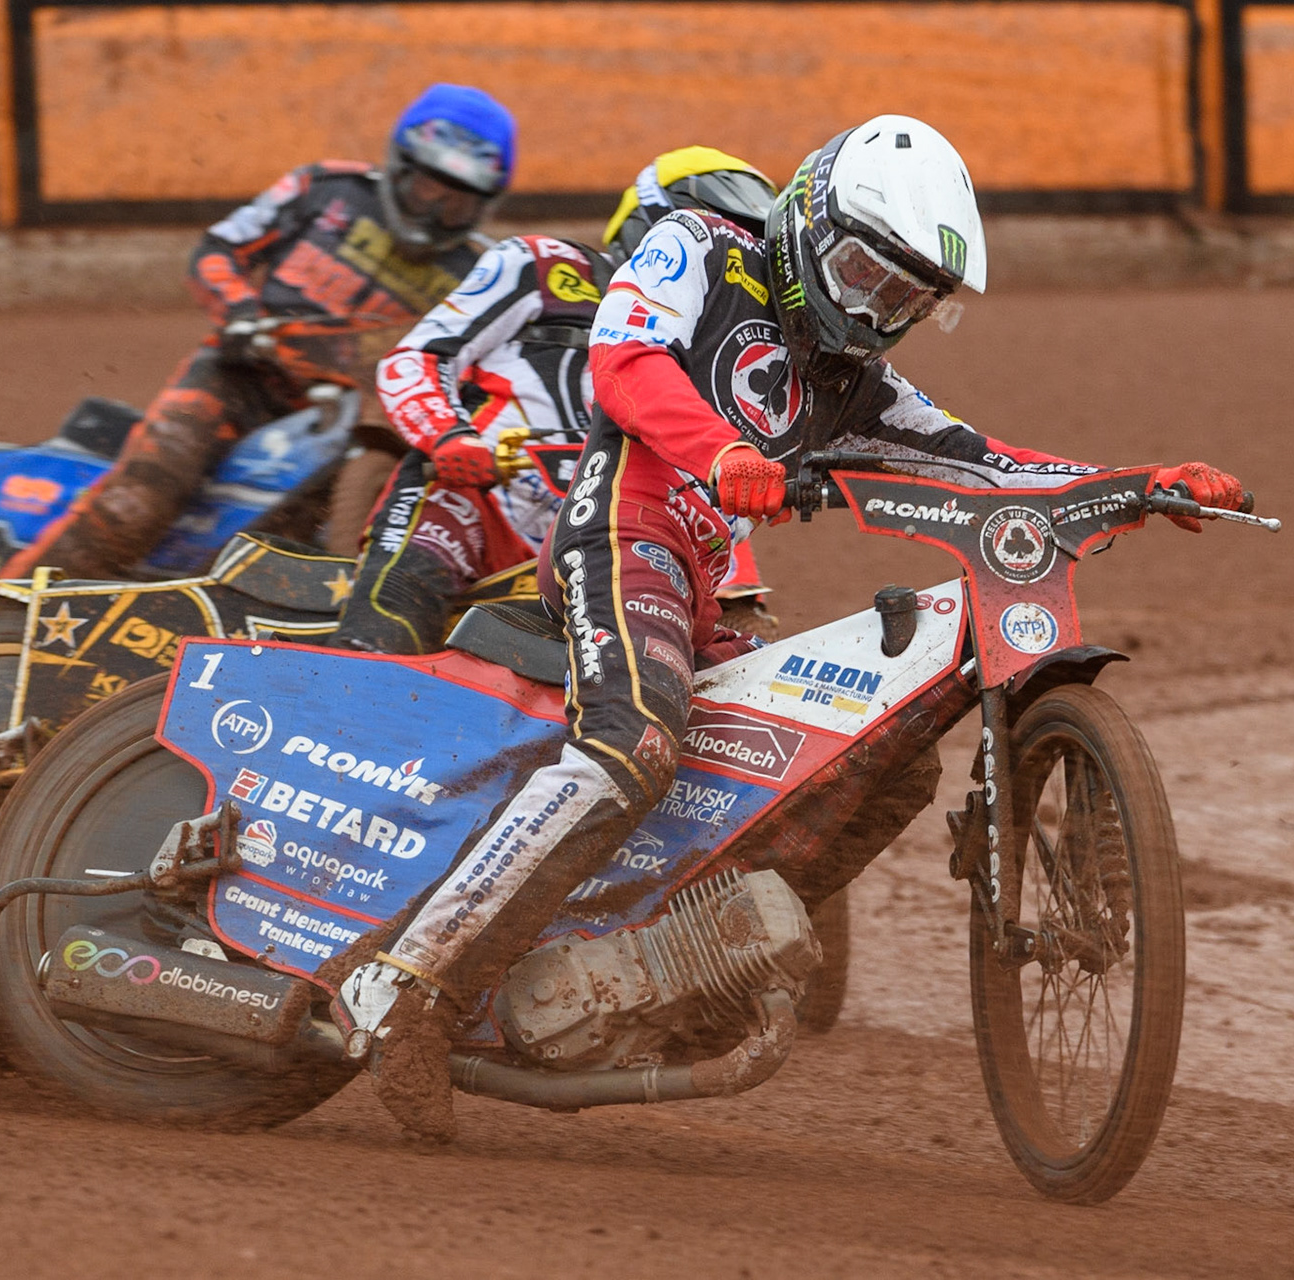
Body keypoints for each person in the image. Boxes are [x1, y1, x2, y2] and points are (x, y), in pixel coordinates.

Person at [333, 116, 1247, 1140]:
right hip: (619, 531)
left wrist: (1138, 485)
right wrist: (721, 454)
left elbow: (983, 461)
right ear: (810, 219)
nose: (872, 306)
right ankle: (414, 984)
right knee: (636, 735)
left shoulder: (854, 381)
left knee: (887, 764)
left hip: (705, 577)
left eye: (904, 296)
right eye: (862, 270)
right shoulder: (704, 250)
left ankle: (684, 966)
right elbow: (624, 361)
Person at [1, 84, 516, 581]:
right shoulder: (325, 188)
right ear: (401, 167)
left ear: (484, 204)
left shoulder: (482, 270)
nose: (435, 213)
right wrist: (241, 315)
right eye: (428, 190)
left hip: (357, 421)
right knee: (133, 506)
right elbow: (219, 250)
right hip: (243, 379)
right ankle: (9, 610)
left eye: (457, 203)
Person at [331, 147, 780, 654]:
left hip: (620, 533)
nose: (730, 249)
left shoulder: (738, 347)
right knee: (396, 606)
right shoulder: (542, 265)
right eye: (720, 230)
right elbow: (417, 357)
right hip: (483, 499)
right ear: (656, 220)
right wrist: (448, 435)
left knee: (744, 642)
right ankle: (358, 666)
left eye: (748, 240)